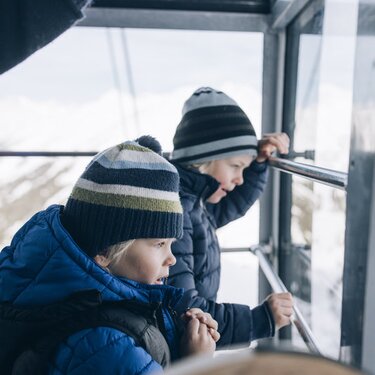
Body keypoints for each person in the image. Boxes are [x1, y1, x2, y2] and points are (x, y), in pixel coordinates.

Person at [0, 136, 220, 375]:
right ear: (105, 251)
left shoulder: (95, 306)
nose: (172, 259)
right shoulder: (105, 344)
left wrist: (178, 340)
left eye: (171, 244)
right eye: (159, 244)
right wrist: (198, 365)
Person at [169, 87, 294, 347]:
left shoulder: (194, 202)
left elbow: (233, 204)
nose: (239, 179)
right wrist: (261, 320)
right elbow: (187, 314)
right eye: (236, 167)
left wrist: (258, 163)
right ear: (203, 158)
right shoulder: (176, 212)